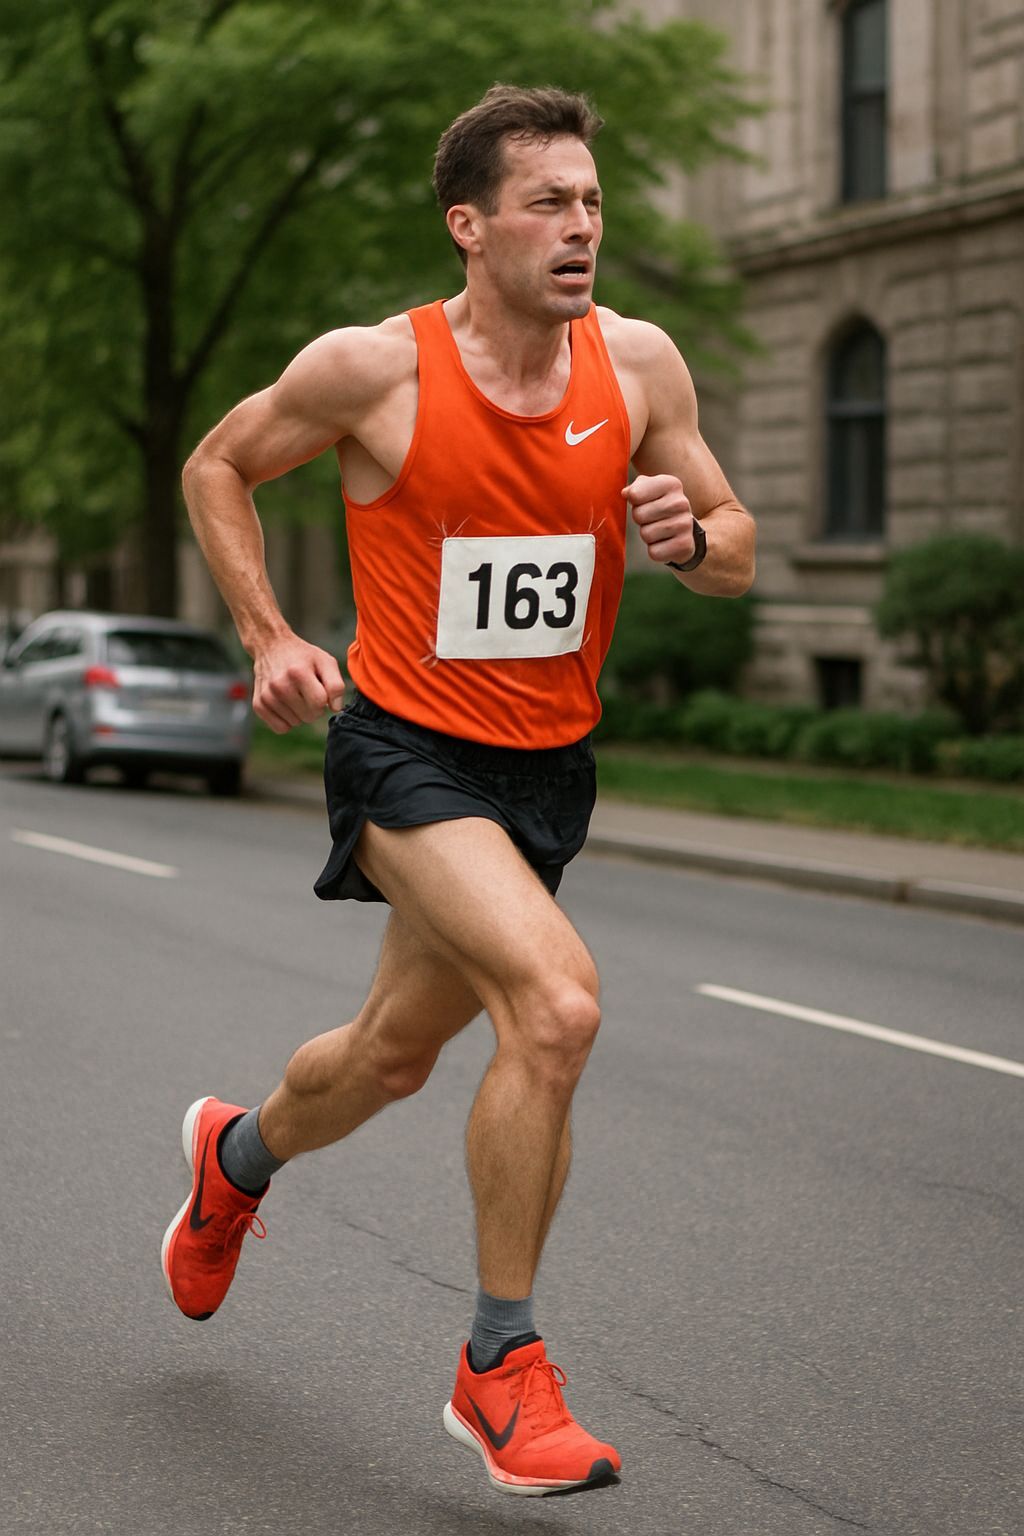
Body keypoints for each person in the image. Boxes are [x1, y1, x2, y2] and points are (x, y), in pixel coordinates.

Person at [162, 83, 755, 1497]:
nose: (582, 226)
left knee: (391, 1057)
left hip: (547, 772)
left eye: (593, 202)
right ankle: (501, 1369)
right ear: (469, 226)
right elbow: (218, 465)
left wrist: (693, 532)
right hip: (406, 752)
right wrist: (270, 635)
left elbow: (735, 546)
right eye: (549, 202)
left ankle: (234, 1159)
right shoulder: (378, 372)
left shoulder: (643, 363)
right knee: (553, 1007)